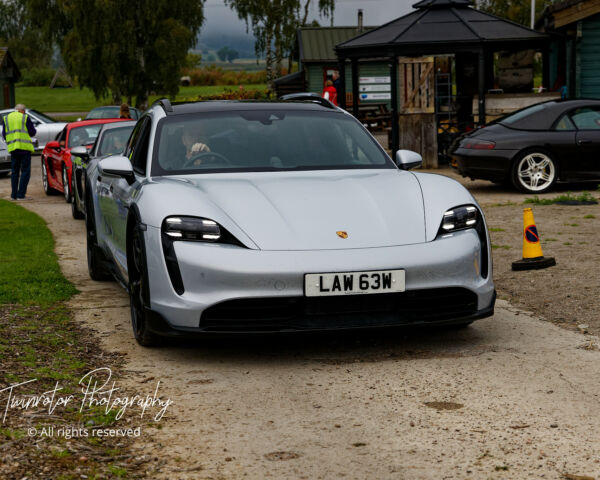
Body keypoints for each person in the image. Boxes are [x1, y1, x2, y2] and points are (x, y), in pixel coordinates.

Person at [2, 104, 36, 200]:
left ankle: (13, 195)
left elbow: (4, 134)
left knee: (14, 172)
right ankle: (21, 195)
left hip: (13, 149)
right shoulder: (25, 117)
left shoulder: (7, 118)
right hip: (24, 148)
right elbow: (32, 132)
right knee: (25, 171)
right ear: (22, 111)